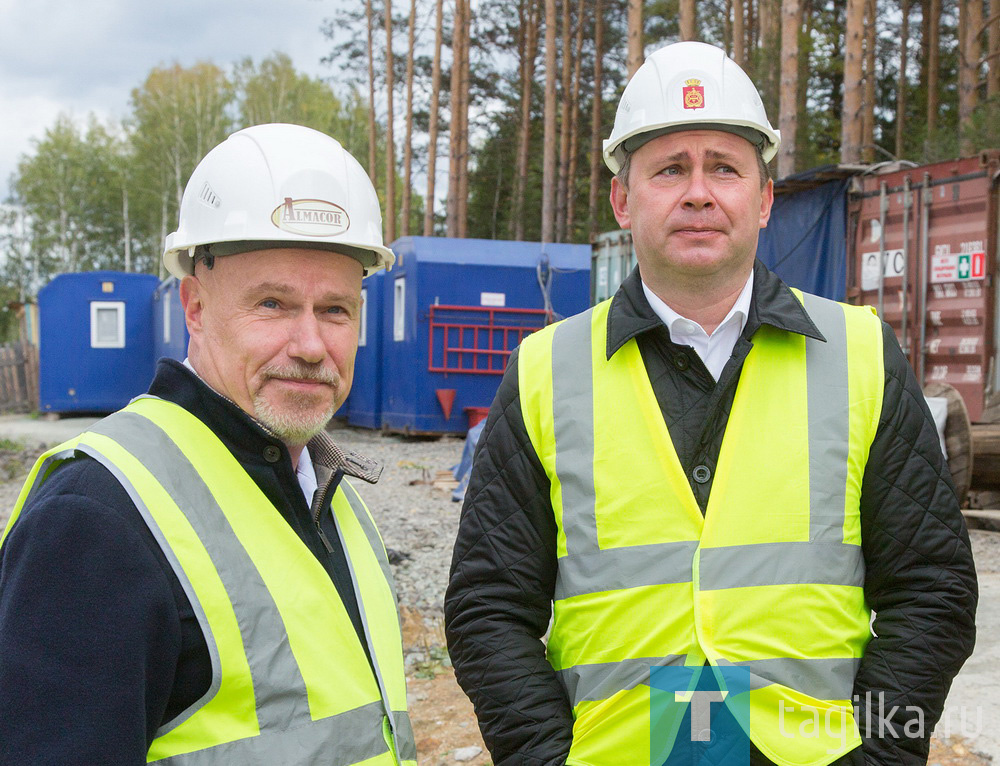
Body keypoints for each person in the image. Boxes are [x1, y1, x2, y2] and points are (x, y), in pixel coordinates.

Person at [445, 42, 977, 766]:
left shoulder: (860, 355)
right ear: (623, 200)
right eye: (670, 169)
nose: (699, 192)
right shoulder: (545, 371)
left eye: (724, 167)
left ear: (762, 200)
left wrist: (880, 754)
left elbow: (931, 590)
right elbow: (488, 606)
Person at [0, 124, 416, 765]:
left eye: (335, 310)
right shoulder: (98, 516)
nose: (311, 346)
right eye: (273, 304)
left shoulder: (331, 495)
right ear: (194, 306)